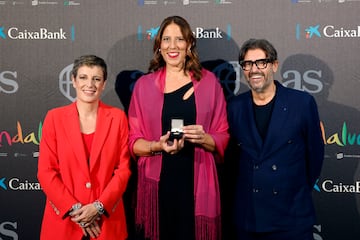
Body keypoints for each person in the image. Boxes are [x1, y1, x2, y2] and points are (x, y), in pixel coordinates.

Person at [128, 16, 229, 240]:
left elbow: (222, 136)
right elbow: (133, 142)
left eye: (179, 39)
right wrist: (157, 146)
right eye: (166, 39)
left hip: (197, 180)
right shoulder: (143, 86)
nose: (172, 46)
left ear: (189, 44)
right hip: (157, 183)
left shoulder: (210, 83)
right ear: (159, 45)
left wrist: (204, 138)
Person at [226, 39, 324, 240]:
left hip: (291, 216)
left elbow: (314, 157)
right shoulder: (235, 107)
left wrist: (290, 187)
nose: (254, 70)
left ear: (274, 65)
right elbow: (231, 162)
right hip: (249, 218)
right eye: (248, 64)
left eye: (261, 62)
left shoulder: (302, 103)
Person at [37, 55, 131, 240]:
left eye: (96, 79)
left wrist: (98, 207)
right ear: (73, 80)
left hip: (106, 223)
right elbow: (45, 172)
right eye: (83, 77)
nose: (90, 84)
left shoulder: (118, 118)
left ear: (103, 84)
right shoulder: (54, 118)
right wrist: (76, 210)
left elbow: (123, 170)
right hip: (65, 223)